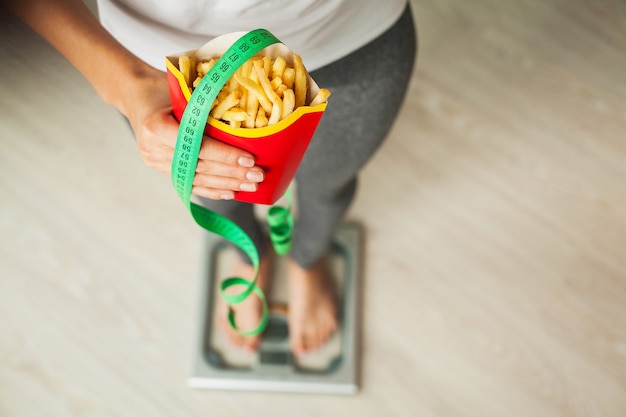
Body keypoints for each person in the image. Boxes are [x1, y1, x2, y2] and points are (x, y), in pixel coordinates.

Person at [3, 0, 416, 356]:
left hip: (352, 32)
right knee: (219, 194)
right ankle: (248, 254)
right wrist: (125, 85)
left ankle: (308, 258)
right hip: (162, 66)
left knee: (331, 180)